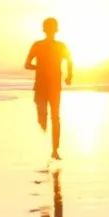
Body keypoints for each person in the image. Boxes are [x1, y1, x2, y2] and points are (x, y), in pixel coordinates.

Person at [24, 17, 73, 159]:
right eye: (49, 28)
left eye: (52, 28)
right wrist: (68, 76)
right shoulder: (38, 45)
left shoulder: (60, 46)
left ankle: (55, 150)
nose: (51, 31)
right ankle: (43, 123)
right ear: (46, 30)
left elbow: (69, 60)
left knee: (55, 117)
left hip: (53, 86)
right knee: (48, 116)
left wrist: (70, 75)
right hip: (43, 86)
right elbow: (27, 64)